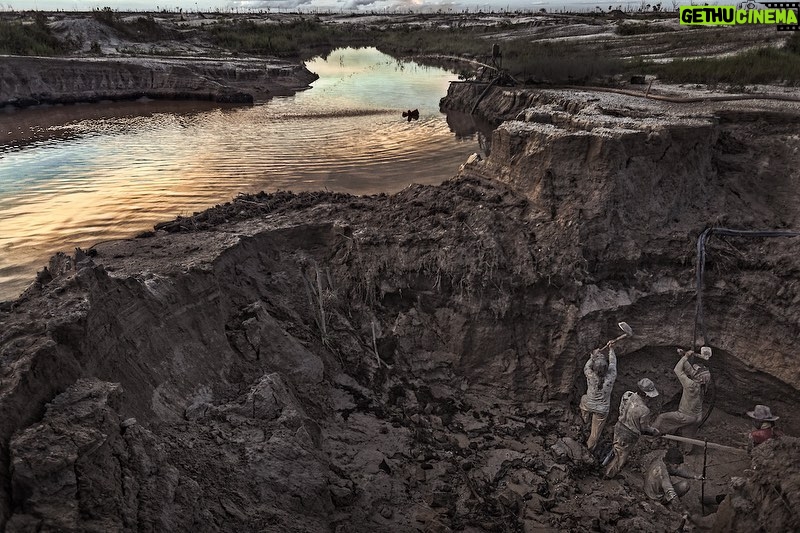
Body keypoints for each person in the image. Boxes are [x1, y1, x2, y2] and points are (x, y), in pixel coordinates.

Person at [604, 378, 660, 478]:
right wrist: (654, 431)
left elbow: (621, 409)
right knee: (621, 456)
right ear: (646, 394)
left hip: (619, 425)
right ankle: (609, 474)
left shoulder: (627, 395)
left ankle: (605, 464)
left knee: (616, 448)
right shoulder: (644, 410)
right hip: (629, 434)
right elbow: (644, 428)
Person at [653, 350, 711, 440]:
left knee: (662, 418)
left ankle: (650, 436)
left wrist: (686, 356)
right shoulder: (704, 384)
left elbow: (677, 370)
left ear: (698, 376)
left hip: (685, 416)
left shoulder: (690, 385)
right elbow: (691, 371)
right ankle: (688, 451)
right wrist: (683, 356)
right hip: (697, 416)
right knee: (688, 434)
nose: (694, 370)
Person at [579, 346, 617, 451]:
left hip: (589, 403)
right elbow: (613, 363)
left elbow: (587, 366)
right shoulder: (611, 377)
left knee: (583, 399)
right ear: (607, 368)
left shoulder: (590, 375)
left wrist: (593, 356)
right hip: (602, 409)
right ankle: (589, 449)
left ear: (594, 369)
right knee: (595, 433)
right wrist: (611, 349)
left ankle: (585, 419)